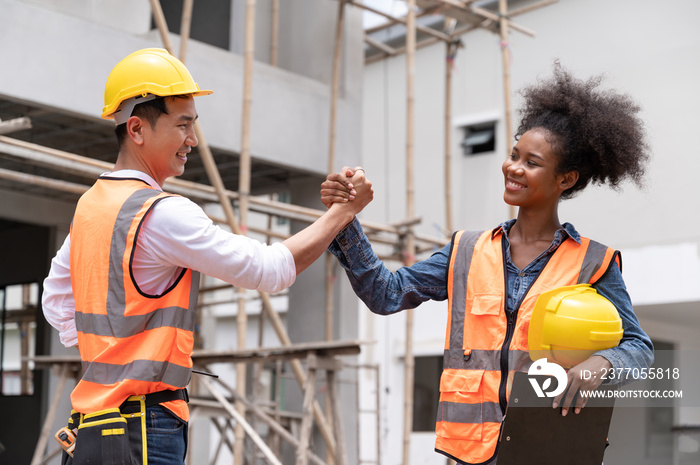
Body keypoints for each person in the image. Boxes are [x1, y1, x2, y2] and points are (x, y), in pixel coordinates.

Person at [41, 48, 372, 465]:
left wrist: (113, 359)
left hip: (93, 425)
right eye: (183, 126)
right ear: (138, 129)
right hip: (145, 426)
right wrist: (343, 213)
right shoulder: (160, 213)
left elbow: (55, 304)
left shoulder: (90, 208)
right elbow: (270, 270)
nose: (192, 140)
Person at [320, 63, 653, 465]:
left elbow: (639, 347)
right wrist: (344, 218)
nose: (513, 168)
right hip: (470, 454)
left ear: (565, 179)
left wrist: (602, 363)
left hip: (550, 449)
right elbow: (386, 293)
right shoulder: (466, 250)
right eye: (514, 155)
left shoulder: (593, 262)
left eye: (531, 162)